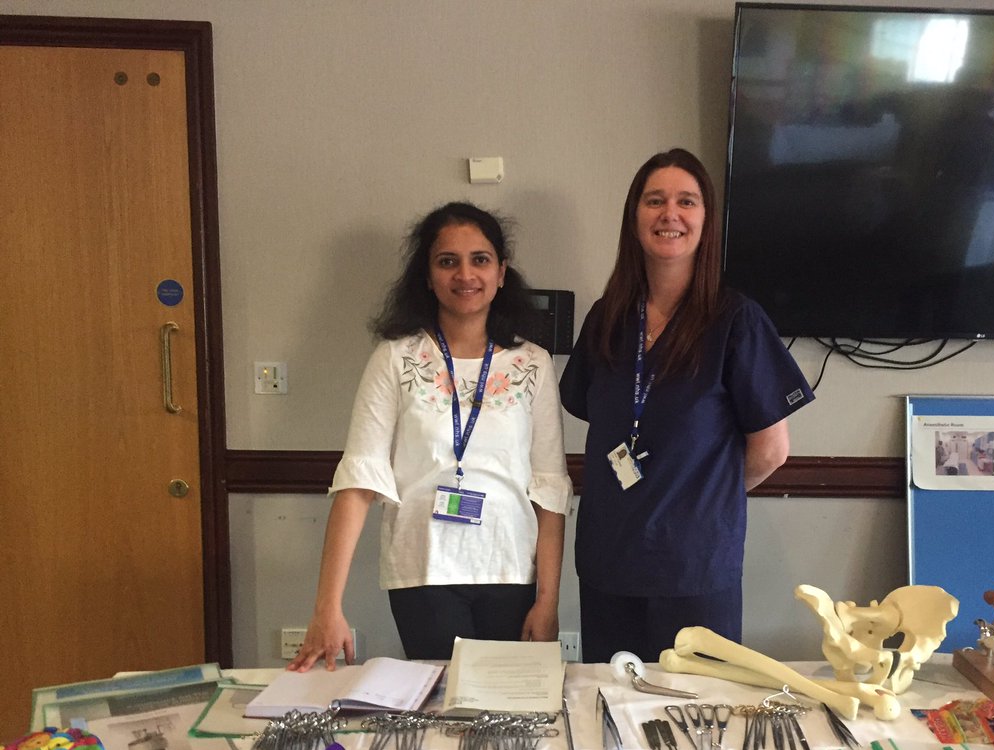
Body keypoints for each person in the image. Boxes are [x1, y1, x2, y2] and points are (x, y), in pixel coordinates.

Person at [289, 202, 572, 671]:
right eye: (447, 261)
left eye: (480, 259)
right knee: (441, 704)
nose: (465, 274)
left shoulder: (533, 363)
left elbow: (550, 490)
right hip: (422, 569)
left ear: (501, 272)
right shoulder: (395, 358)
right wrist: (327, 607)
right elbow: (359, 480)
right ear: (427, 275)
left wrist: (548, 601)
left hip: (510, 570)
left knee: (510, 705)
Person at [559, 148, 814, 664]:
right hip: (609, 561)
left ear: (705, 220)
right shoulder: (607, 318)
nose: (669, 214)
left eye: (686, 201)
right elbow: (597, 414)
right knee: (612, 700)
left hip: (694, 569)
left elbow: (771, 450)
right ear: (634, 217)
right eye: (655, 201)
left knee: (696, 707)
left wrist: (702, 501)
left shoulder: (736, 320)